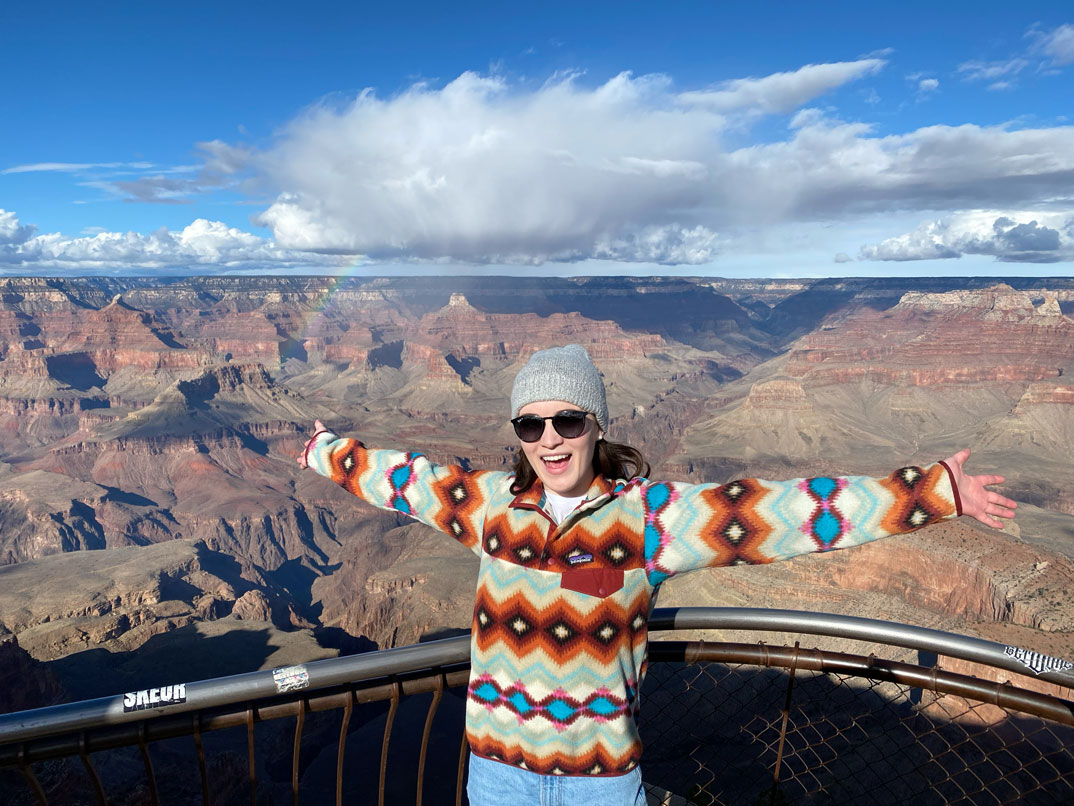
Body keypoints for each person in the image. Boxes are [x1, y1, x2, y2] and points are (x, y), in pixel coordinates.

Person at [297, 344, 1016, 805]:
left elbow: (782, 512)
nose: (551, 439)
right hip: (497, 775)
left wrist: (930, 493)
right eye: (532, 424)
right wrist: (325, 450)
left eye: (569, 421)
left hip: (602, 784)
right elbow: (400, 478)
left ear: (598, 426)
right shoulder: (489, 507)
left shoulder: (650, 520)